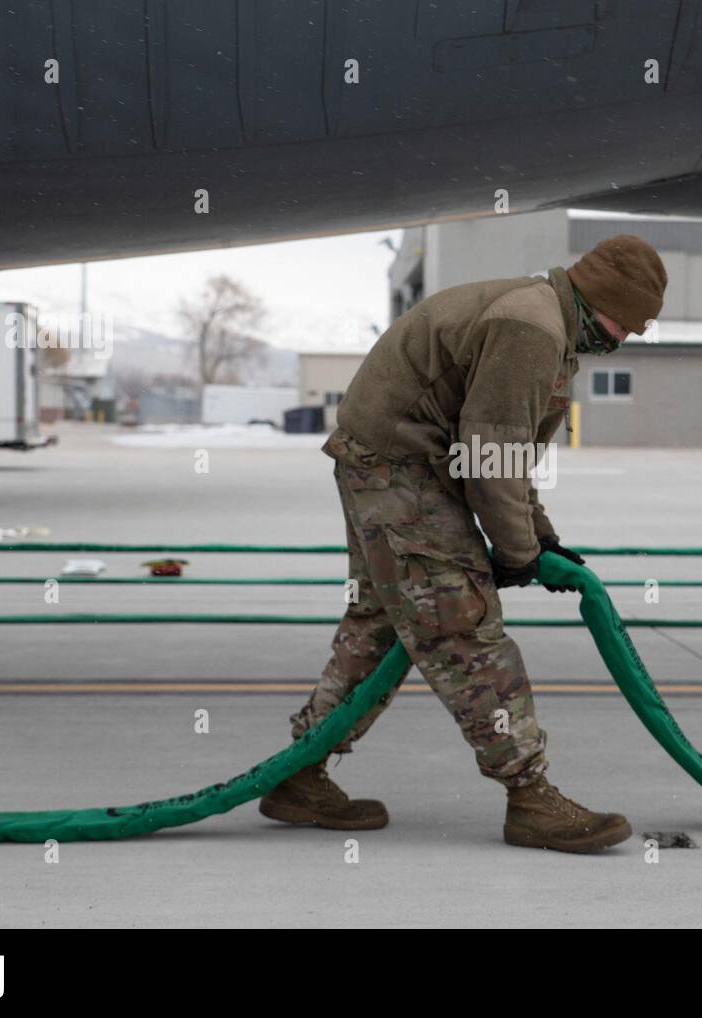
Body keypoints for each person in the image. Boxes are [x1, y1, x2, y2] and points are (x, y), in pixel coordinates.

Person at [260, 235, 667, 852]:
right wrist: (516, 553)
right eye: (625, 322)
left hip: (397, 465)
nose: (627, 336)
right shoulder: (531, 328)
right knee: (461, 624)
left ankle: (299, 774)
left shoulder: (548, 324)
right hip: (398, 468)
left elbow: (509, 452)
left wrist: (538, 537)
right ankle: (530, 797)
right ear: (598, 300)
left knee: (383, 621)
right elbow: (490, 456)